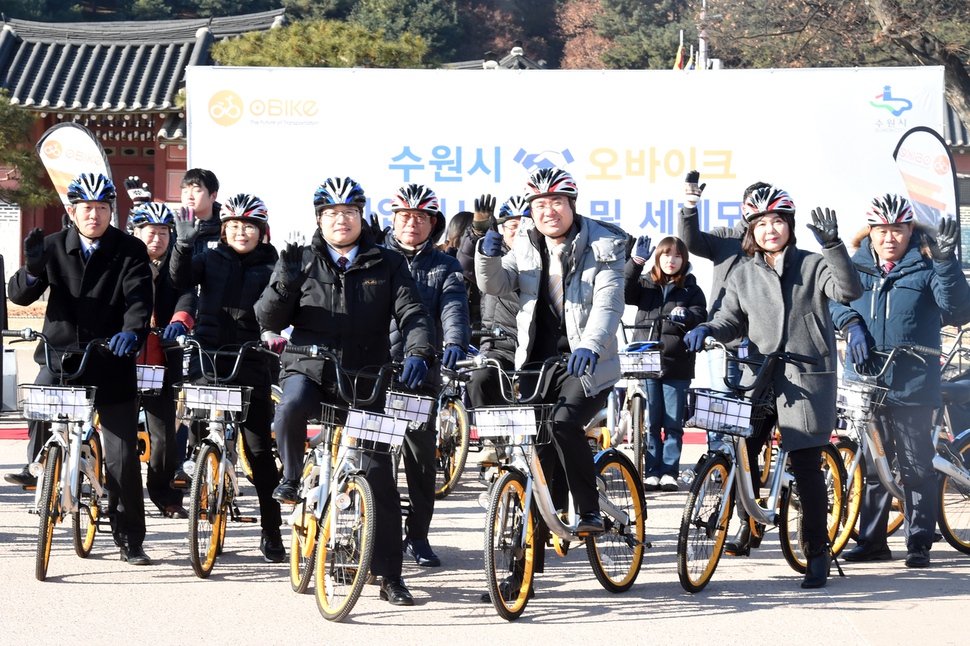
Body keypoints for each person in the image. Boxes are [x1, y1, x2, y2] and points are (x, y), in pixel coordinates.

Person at [256, 177, 435, 606]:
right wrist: (286, 274)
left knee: (379, 479)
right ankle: (292, 477)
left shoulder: (387, 262)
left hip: (365, 376)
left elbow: (412, 312)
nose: (341, 220)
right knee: (292, 405)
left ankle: (391, 575)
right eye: (332, 213)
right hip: (308, 366)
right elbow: (266, 315)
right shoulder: (301, 260)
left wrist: (418, 351)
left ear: (360, 218)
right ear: (320, 219)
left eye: (349, 213)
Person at [684, 185, 863, 588]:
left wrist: (834, 245)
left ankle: (817, 551)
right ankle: (744, 526)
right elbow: (729, 318)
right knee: (741, 452)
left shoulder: (814, 264)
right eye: (761, 223)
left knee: (805, 467)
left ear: (790, 226)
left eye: (777, 221)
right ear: (751, 229)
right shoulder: (744, 271)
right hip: (759, 378)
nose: (770, 229)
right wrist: (709, 328)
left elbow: (849, 291)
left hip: (805, 379)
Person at [476, 167, 627, 567]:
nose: (548, 211)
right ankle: (535, 546)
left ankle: (589, 509)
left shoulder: (604, 243)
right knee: (534, 444)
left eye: (556, 202)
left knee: (562, 424)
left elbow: (609, 303)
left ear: (572, 206)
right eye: (540, 205)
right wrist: (486, 254)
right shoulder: (524, 242)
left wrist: (592, 346)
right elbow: (496, 285)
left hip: (587, 361)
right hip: (537, 362)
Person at [5, 172, 155, 565]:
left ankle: (129, 538)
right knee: (38, 401)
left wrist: (132, 333)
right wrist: (34, 269)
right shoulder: (53, 245)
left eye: (102, 207)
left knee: (122, 455)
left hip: (110, 359)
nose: (94, 214)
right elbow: (19, 296)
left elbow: (139, 299)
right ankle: (39, 464)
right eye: (86, 207)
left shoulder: (131, 250)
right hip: (61, 357)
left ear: (111, 211)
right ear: (72, 211)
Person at [831, 194, 970, 568]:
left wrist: (945, 262)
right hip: (865, 381)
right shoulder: (855, 266)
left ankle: (919, 541)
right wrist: (852, 324)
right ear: (870, 233)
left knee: (915, 465)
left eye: (897, 229)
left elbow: (958, 309)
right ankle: (872, 541)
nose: (889, 237)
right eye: (881, 230)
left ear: (910, 230)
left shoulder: (926, 266)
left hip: (912, 382)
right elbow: (834, 301)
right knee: (873, 466)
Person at [169, 193, 284, 563]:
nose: (241, 232)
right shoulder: (210, 257)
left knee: (260, 453)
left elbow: (281, 308)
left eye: (248, 226)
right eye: (233, 225)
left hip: (253, 360)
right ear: (224, 228)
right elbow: (179, 279)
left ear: (261, 232)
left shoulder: (273, 265)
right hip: (208, 355)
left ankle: (271, 531)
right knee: (198, 427)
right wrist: (183, 247)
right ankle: (200, 469)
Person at [679, 170, 773, 554]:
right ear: (744, 210)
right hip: (725, 341)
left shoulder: (775, 244)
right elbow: (691, 240)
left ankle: (750, 524)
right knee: (726, 438)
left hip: (767, 346)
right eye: (754, 209)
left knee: (752, 438)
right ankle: (731, 520)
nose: (762, 221)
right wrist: (689, 205)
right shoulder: (725, 238)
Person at [383, 183, 470, 568]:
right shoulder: (375, 257)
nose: (412, 223)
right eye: (405, 216)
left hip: (421, 373)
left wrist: (453, 340)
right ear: (394, 219)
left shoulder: (445, 265)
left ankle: (417, 535)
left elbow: (454, 307)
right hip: (375, 373)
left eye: (420, 217)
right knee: (375, 459)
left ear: (433, 223)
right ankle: (375, 534)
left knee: (419, 462)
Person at [128, 200, 196, 519]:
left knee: (164, 437)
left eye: (164, 232)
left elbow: (187, 293)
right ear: (135, 232)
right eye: (150, 232)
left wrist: (181, 319)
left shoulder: (175, 265)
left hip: (160, 360)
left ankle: (164, 494)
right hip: (122, 357)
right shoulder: (122, 262)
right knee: (117, 434)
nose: (157, 239)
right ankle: (117, 493)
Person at [624, 235, 707, 492]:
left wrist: (688, 315)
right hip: (647, 360)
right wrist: (635, 263)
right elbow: (625, 292)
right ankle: (651, 471)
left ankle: (669, 471)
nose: (672, 261)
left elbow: (701, 316)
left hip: (677, 364)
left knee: (672, 422)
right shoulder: (646, 284)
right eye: (666, 255)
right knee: (652, 421)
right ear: (658, 257)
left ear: (685, 260)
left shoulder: (691, 289)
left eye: (677, 256)